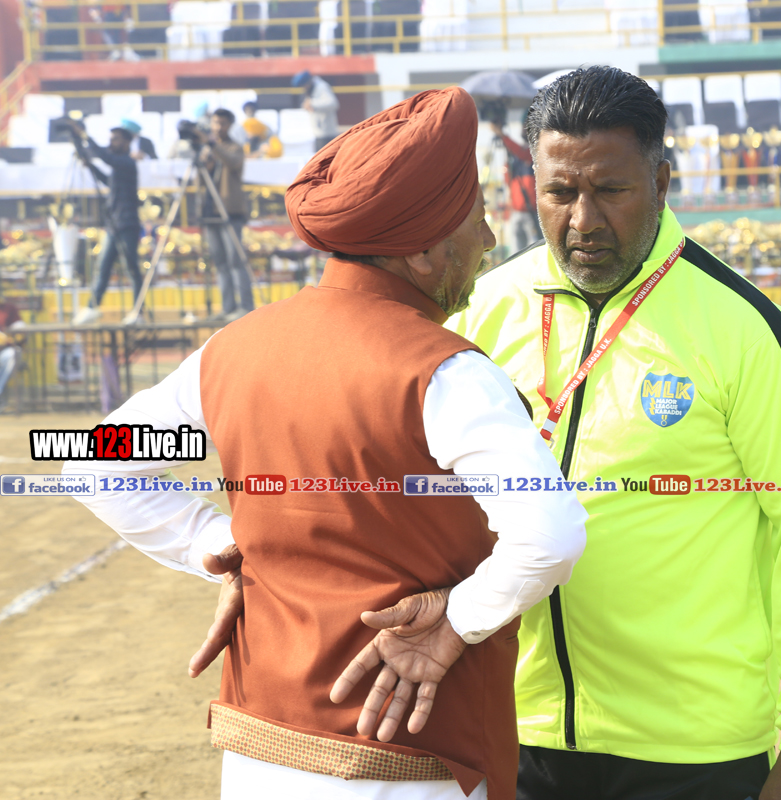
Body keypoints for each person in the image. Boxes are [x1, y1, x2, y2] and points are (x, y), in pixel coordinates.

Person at [65, 87, 588, 800]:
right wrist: (456, 624)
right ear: (424, 252)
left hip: (260, 745)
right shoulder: (446, 371)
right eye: (478, 221)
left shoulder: (233, 349)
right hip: (409, 753)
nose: (491, 241)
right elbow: (550, 536)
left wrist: (215, 547)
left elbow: (94, 460)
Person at [448, 67, 781, 800]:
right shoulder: (482, 310)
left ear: (662, 182)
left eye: (611, 190)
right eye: (560, 192)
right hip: (513, 730)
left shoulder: (749, 331)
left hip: (692, 750)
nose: (583, 221)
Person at [67, 119, 143, 325]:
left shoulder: (126, 162)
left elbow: (106, 157)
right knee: (103, 266)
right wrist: (91, 166)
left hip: (127, 223)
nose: (112, 143)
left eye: (116, 139)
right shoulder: (120, 165)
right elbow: (109, 181)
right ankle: (93, 306)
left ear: (127, 142)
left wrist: (85, 136)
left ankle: (138, 311)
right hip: (115, 223)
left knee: (131, 268)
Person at [200, 108, 256, 322]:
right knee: (220, 262)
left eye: (222, 123)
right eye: (215, 123)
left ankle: (246, 306)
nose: (217, 127)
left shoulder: (235, 147)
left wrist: (213, 146)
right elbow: (200, 175)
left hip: (230, 211)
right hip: (210, 210)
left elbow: (233, 162)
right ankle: (227, 307)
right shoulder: (207, 149)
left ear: (229, 125)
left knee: (235, 260)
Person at [488, 121, 540, 258]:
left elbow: (522, 153)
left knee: (535, 249)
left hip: (532, 212)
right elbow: (508, 178)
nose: (523, 130)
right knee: (516, 250)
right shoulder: (518, 156)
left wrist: (503, 136)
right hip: (517, 211)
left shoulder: (535, 153)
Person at [293, 70, 340, 151]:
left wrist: (313, 104)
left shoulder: (321, 87)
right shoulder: (311, 89)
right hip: (316, 133)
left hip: (326, 134)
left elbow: (333, 103)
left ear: (308, 82)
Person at [0, 289, 23, 406]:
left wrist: (10, 340)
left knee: (12, 354)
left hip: (4, 350)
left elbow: (20, 332)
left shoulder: (9, 308)